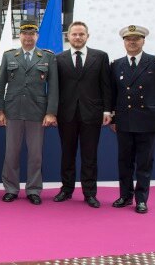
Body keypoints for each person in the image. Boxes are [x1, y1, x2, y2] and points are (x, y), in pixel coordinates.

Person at [110, 25, 155, 214]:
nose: (132, 42)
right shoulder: (116, 64)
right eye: (128, 39)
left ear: (143, 41)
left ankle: (141, 199)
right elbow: (113, 94)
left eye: (136, 39)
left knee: (144, 162)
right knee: (125, 161)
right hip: (124, 121)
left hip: (147, 121)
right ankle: (125, 195)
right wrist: (113, 117)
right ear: (124, 42)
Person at [0, 19, 58, 205]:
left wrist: (51, 112)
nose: (28, 37)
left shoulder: (47, 57)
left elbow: (53, 87)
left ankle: (33, 190)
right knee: (11, 153)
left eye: (32, 34)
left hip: (37, 113)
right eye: (25, 34)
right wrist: (0, 110)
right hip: (13, 110)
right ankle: (11, 189)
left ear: (37, 36)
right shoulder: (9, 56)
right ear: (20, 35)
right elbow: (1, 86)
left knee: (35, 154)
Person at [54, 21, 112, 208]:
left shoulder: (100, 57)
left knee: (90, 155)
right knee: (67, 154)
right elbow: (55, 89)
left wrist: (106, 110)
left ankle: (90, 193)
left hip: (92, 114)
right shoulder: (58, 58)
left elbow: (106, 86)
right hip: (66, 114)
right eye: (74, 34)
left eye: (81, 34)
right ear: (68, 37)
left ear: (87, 36)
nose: (78, 37)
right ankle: (66, 189)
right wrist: (52, 112)